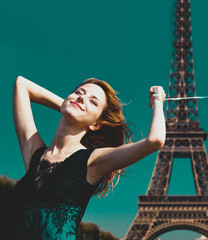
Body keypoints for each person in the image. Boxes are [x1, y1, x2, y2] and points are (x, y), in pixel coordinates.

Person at [13, 76, 166, 239]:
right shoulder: (34, 153)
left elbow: (155, 140)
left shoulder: (93, 161)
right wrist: (70, 105)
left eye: (93, 102)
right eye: (79, 92)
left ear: (96, 125)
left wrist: (157, 102)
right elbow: (21, 84)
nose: (82, 97)